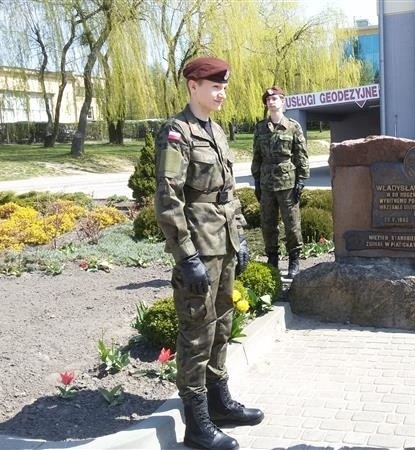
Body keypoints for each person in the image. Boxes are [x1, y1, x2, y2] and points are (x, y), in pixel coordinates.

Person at [154, 56, 263, 450]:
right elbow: (168, 200)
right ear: (192, 86)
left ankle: (219, 402)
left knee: (221, 325)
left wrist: (241, 238)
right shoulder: (176, 133)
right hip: (199, 247)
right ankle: (197, 425)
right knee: (197, 332)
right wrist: (186, 256)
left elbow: (227, 194)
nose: (221, 93)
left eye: (224, 86)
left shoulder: (216, 130)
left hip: (224, 245)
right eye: (214, 86)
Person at [252, 85, 310, 278]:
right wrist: (257, 181)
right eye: (268, 100)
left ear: (283, 101)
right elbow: (257, 156)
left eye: (274, 99)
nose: (271, 102)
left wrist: (301, 180)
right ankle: (273, 260)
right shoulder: (260, 128)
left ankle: (294, 261)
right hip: (267, 183)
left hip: (287, 183)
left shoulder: (293, 126)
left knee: (292, 223)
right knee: (268, 224)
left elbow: (301, 155)